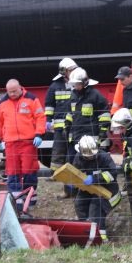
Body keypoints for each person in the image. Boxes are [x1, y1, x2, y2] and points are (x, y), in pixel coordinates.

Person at [0, 79, 46, 207]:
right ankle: (16, 201)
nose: (12, 94)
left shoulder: (31, 99)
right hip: (11, 143)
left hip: (28, 142)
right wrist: (0, 139)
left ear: (20, 88)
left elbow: (40, 117)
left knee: (29, 170)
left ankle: (30, 199)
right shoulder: (3, 102)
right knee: (12, 172)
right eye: (9, 92)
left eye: (14, 91)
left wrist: (39, 134)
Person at [72, 135, 121, 243]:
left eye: (92, 155)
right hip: (89, 189)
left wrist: (94, 179)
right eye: (87, 156)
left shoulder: (104, 157)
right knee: (79, 203)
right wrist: (73, 184)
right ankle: (86, 232)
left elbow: (112, 174)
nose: (90, 158)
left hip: (109, 191)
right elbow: (75, 173)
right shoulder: (78, 157)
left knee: (96, 207)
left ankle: (101, 239)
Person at [45, 57, 78, 198]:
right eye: (71, 70)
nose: (73, 72)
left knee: (73, 158)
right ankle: (64, 188)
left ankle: (75, 190)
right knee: (59, 157)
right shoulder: (54, 86)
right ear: (64, 71)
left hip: (75, 128)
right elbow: (49, 105)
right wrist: (48, 120)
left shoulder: (78, 83)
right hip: (60, 129)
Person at [65, 68, 111, 155]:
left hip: (91, 138)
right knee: (73, 162)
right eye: (74, 84)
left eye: (78, 84)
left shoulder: (95, 95)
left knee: (91, 162)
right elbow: (70, 114)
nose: (76, 86)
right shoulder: (73, 96)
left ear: (84, 83)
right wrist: (67, 126)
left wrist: (102, 131)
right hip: (76, 137)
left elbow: (104, 115)